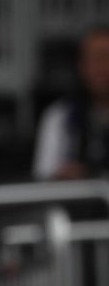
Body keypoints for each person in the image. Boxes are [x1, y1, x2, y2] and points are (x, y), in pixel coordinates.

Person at [33, 24, 109, 180]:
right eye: (97, 58)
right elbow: (43, 178)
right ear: (82, 65)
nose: (104, 67)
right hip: (73, 201)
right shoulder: (59, 116)